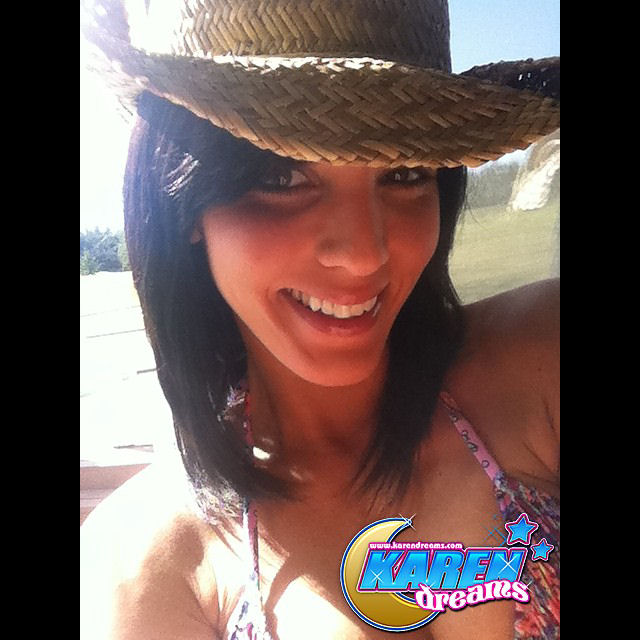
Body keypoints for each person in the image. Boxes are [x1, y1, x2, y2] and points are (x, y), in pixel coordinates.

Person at [80, 1, 559, 639]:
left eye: (405, 173)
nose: (365, 253)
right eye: (281, 177)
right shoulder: (147, 563)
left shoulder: (540, 359)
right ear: (185, 203)